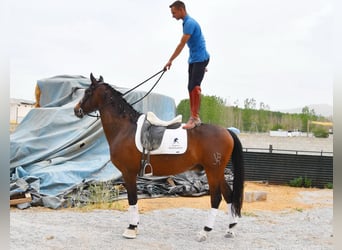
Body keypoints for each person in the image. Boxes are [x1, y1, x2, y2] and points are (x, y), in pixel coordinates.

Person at [164, 1, 210, 129]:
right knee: (189, 87)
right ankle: (193, 116)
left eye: (174, 13)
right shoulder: (186, 22)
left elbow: (181, 45)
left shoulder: (189, 23)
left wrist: (170, 60)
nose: (172, 16)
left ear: (181, 10)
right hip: (195, 60)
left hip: (200, 59)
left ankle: (195, 118)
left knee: (194, 86)